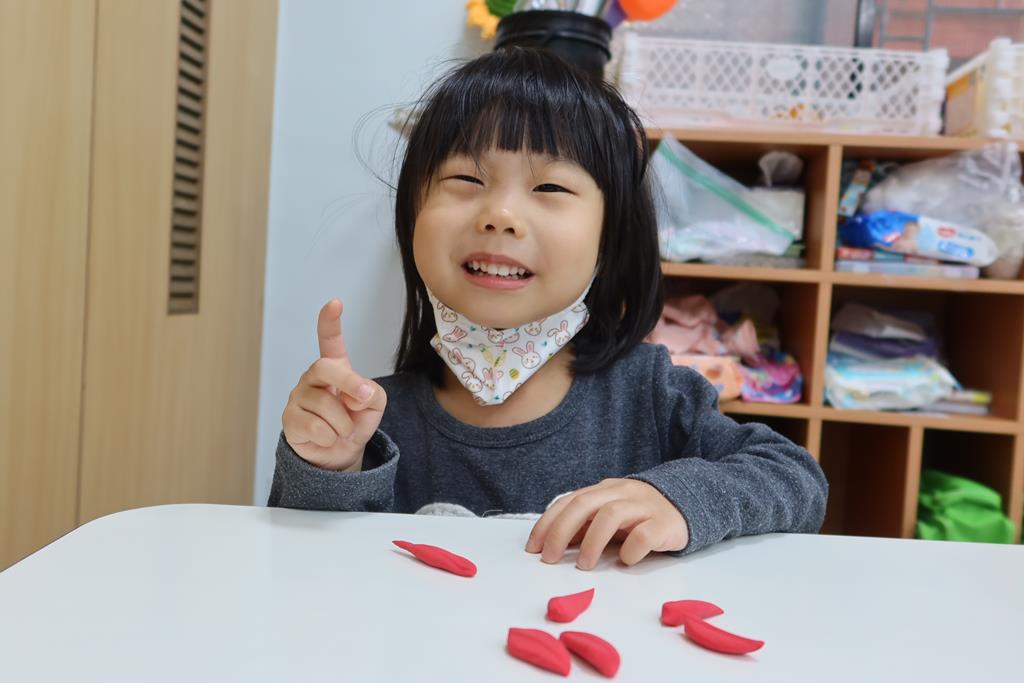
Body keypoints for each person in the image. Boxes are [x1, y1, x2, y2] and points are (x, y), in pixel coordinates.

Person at [269, 47, 827, 570]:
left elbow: (797, 479)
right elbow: (303, 576)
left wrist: (675, 498)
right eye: (466, 178)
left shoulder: (652, 396)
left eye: (551, 188)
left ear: (610, 237)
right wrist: (329, 468)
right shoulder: (372, 423)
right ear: (412, 215)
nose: (500, 214)